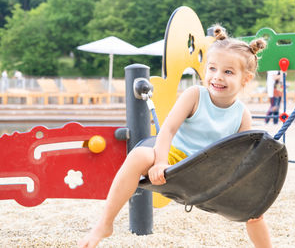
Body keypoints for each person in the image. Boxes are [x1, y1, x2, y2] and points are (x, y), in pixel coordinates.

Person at [78, 27, 272, 248]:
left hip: (213, 172)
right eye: (212, 68)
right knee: (139, 154)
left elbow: (242, 156)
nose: (217, 76)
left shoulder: (241, 114)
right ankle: (105, 223)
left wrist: (243, 188)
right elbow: (167, 130)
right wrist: (160, 161)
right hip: (178, 160)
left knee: (257, 210)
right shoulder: (195, 96)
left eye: (228, 72)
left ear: (245, 79)